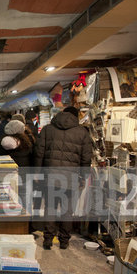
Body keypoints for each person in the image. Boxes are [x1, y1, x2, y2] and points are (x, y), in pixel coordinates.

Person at [34, 106, 92, 250]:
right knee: (67, 210)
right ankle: (64, 241)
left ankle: (48, 239)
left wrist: (36, 172)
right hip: (71, 177)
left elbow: (39, 152)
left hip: (50, 176)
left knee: (50, 208)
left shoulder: (48, 129)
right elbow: (86, 158)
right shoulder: (82, 133)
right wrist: (84, 176)